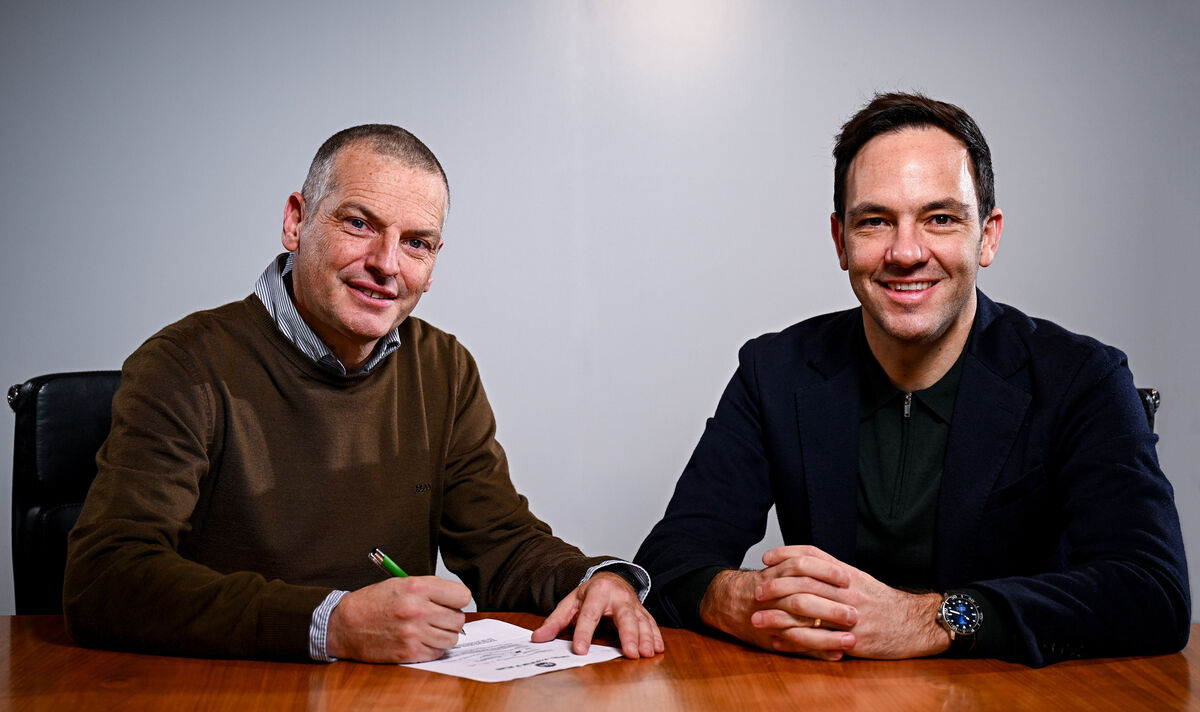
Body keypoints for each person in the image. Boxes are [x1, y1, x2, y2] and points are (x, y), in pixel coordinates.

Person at [64, 124, 663, 663]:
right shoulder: (185, 362)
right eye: (359, 224)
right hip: (228, 689)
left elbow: (501, 541)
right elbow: (106, 578)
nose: (386, 264)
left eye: (416, 243)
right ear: (296, 220)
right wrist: (331, 625)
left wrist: (594, 580)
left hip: (392, 696)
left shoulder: (444, 367)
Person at [634, 92, 1189, 666]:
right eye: (875, 221)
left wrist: (930, 619)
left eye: (940, 218)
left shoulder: (1083, 378)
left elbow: (1152, 591)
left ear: (988, 235)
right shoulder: (773, 371)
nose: (905, 252)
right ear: (840, 241)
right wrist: (748, 599)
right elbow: (669, 560)